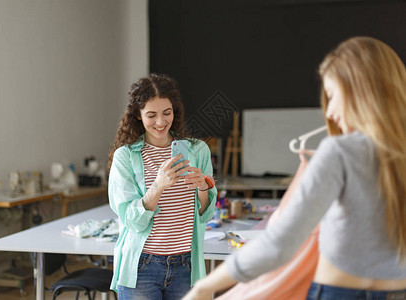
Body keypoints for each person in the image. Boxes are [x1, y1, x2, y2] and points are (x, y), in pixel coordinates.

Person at [183, 36, 406, 300]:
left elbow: (278, 245)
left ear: (361, 91)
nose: (330, 112)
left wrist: (204, 287)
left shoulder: (340, 152)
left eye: (333, 96)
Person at [108, 73, 217, 300]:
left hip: (187, 265)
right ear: (138, 115)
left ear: (175, 111)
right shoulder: (125, 157)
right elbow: (130, 219)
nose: (160, 122)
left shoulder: (198, 151)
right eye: (151, 115)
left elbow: (205, 214)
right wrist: (157, 186)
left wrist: (202, 188)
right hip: (142, 266)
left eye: (167, 113)